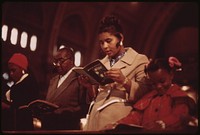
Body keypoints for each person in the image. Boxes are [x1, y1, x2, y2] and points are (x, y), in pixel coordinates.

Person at [79, 15, 149, 131]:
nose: (104, 47)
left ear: (120, 38)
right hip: (94, 120)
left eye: (108, 41)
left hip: (118, 121)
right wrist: (89, 86)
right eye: (101, 43)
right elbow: (95, 97)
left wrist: (124, 81)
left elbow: (146, 93)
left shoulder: (139, 60)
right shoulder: (101, 63)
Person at [110, 57, 197, 131]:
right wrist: (116, 125)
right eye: (153, 83)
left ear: (171, 75)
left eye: (162, 81)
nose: (158, 86)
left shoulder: (179, 97)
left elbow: (179, 116)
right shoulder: (148, 98)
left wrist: (162, 124)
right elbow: (134, 117)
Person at [38, 47, 89, 130]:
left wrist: (63, 112)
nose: (58, 64)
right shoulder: (53, 80)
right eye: (56, 61)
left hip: (66, 126)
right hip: (48, 125)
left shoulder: (80, 78)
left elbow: (84, 107)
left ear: (71, 60)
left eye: (61, 61)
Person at [1, 53, 39, 130]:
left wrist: (7, 106)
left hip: (21, 126)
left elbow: (23, 106)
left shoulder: (28, 83)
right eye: (10, 71)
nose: (11, 74)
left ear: (23, 69)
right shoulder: (20, 83)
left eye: (13, 70)